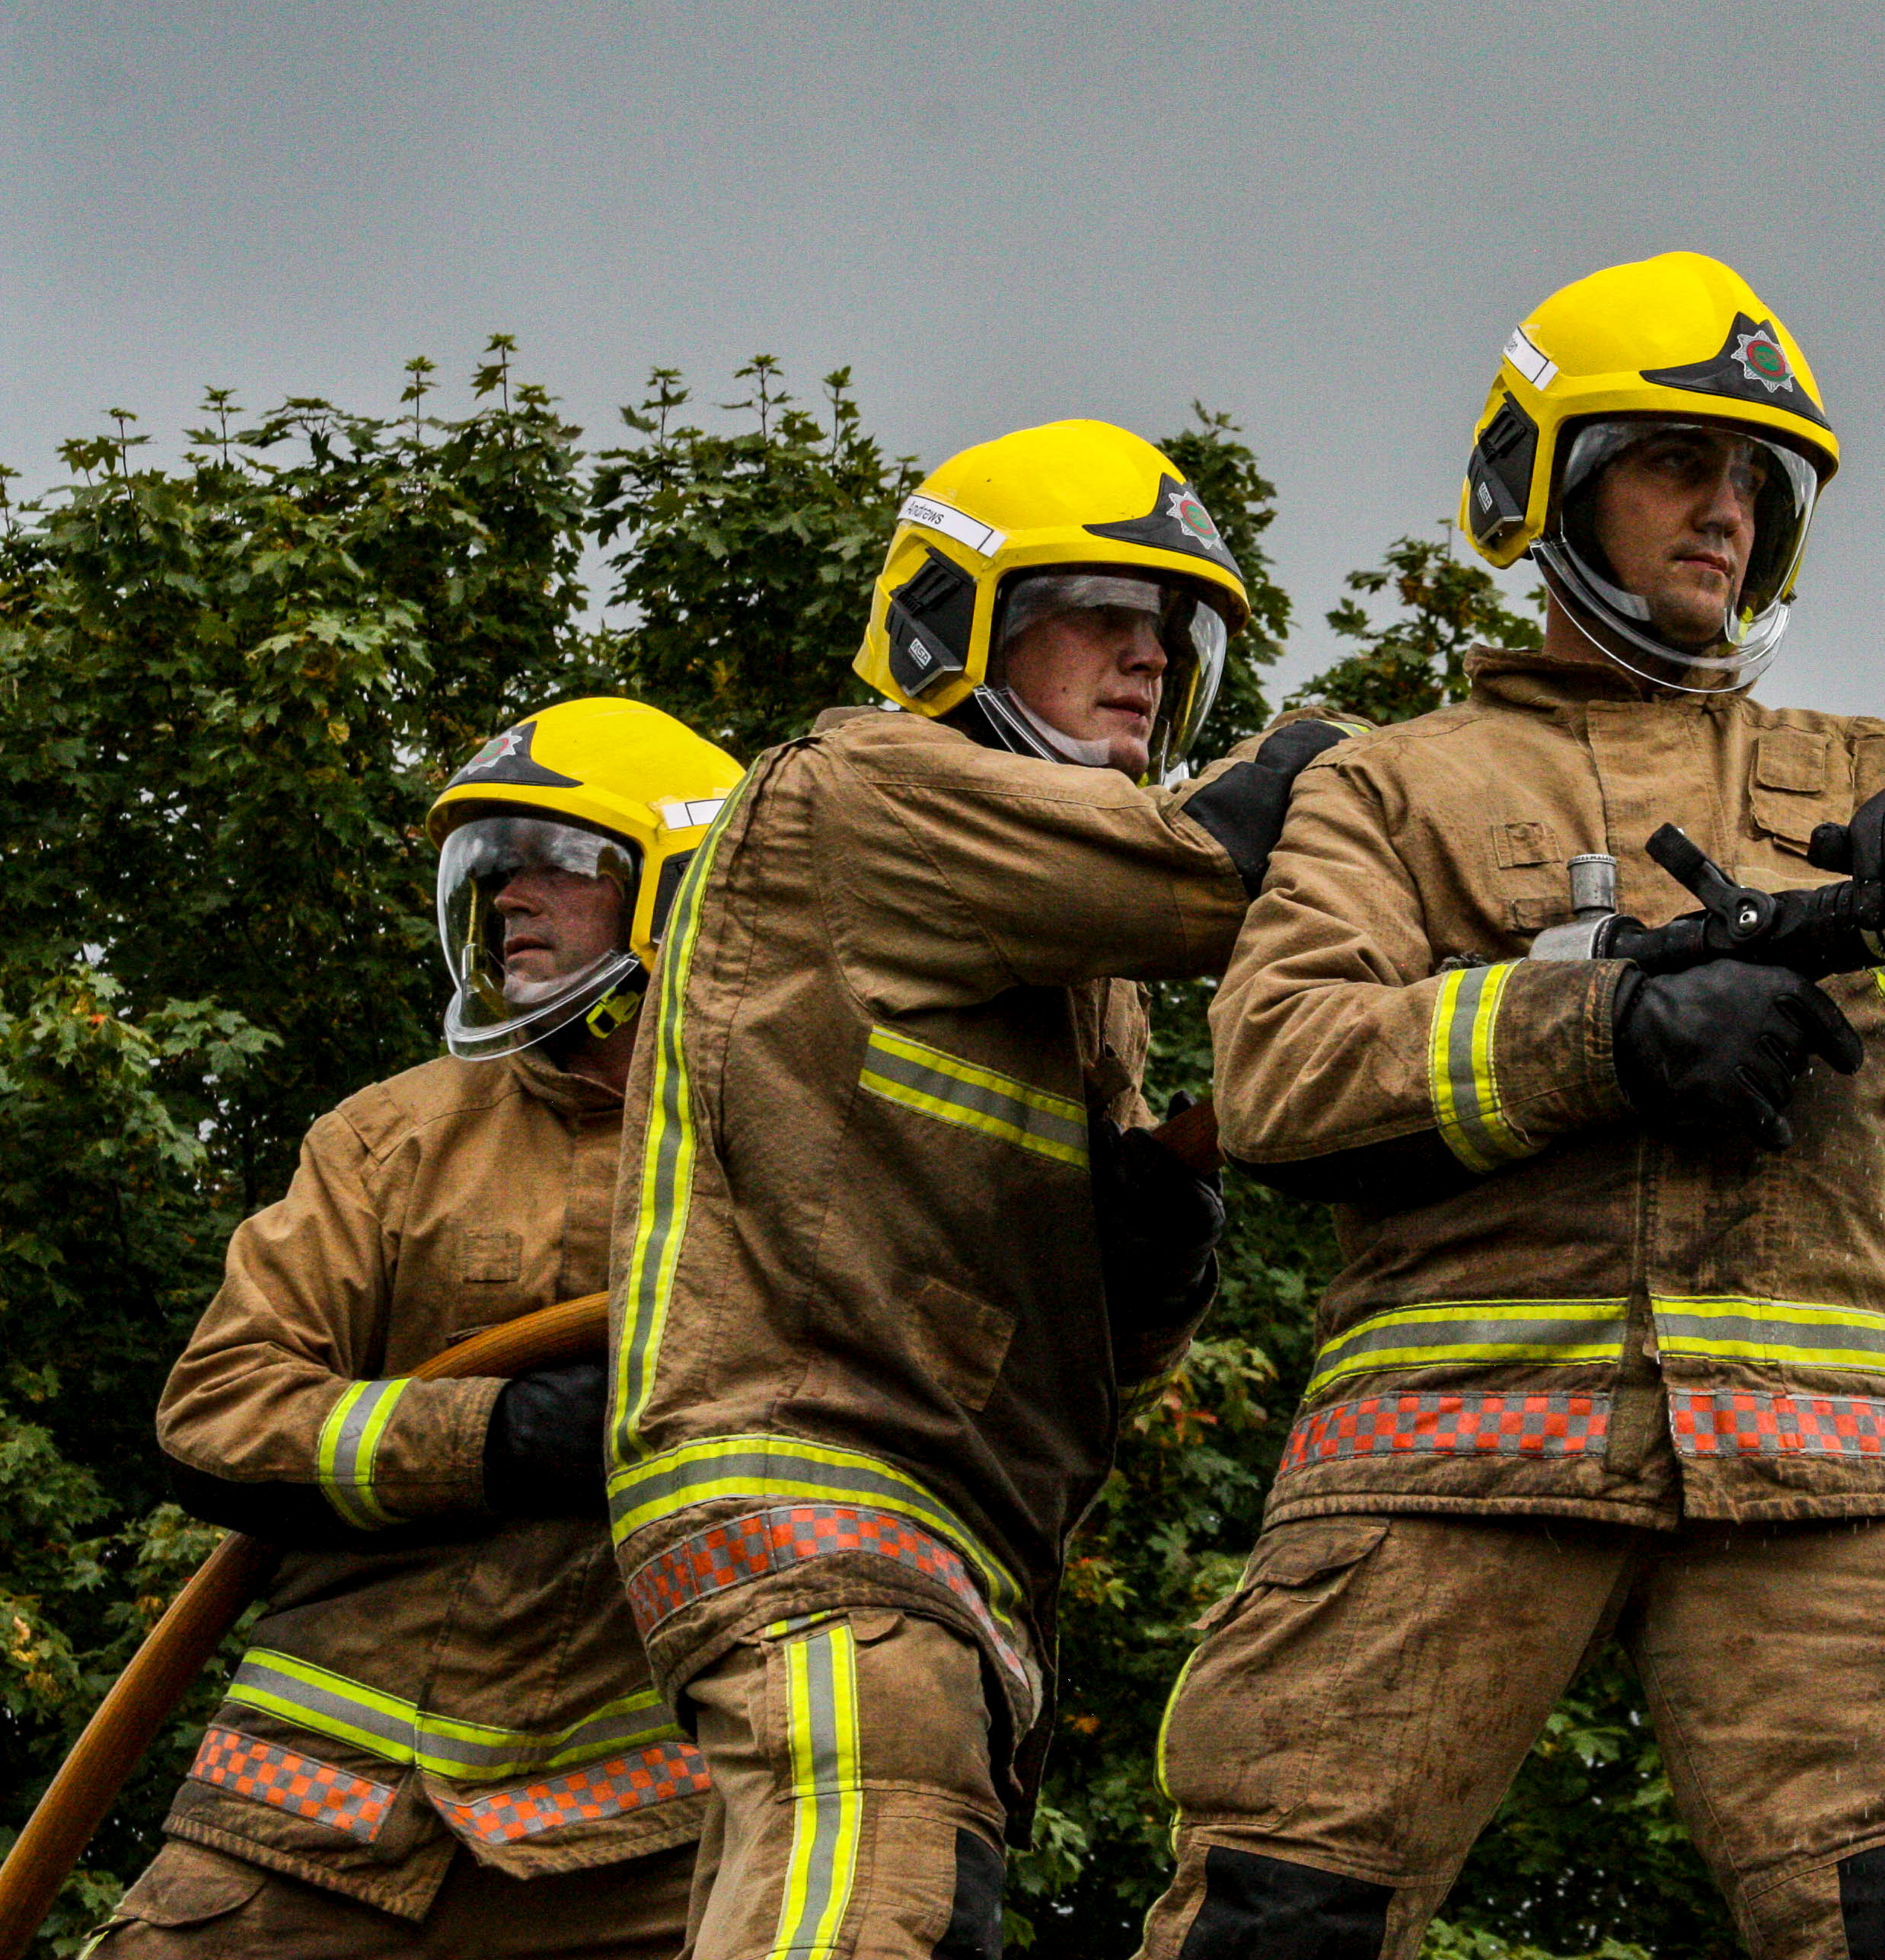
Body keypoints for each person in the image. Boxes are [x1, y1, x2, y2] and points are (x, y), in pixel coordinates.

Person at [1141, 251, 1885, 1960]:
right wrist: (1606, 1038)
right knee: (1276, 1923)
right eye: (1682, 462)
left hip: (1840, 1481)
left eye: (1759, 479)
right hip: (1444, 1454)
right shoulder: (1399, 780)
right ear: (1544, 486)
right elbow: (1279, 1069)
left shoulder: (1880, 769)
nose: (1728, 511)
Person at [601, 419, 1345, 1959]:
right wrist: (1412, 786)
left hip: (950, 1524)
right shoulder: (869, 786)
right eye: (1098, 614)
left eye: (1170, 633)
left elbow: (1089, 1337)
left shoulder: (1080, 976)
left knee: (865, 1881)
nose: (1146, 661)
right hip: (817, 1475)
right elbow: (1219, 860)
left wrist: (1149, 1263)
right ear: (957, 622)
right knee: (879, 1872)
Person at [90, 697, 745, 1958]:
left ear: (679, 895)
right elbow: (216, 1414)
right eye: (493, 869)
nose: (509, 899)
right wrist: (491, 1436)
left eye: (559, 863)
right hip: (313, 1829)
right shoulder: (391, 1141)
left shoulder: (781, 1159)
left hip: (641, 1862)